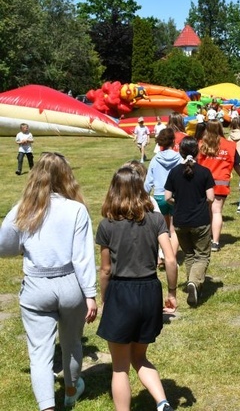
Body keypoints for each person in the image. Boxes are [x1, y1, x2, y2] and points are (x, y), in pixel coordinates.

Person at [0, 152, 97, 410]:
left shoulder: (23, 208)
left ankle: (47, 407)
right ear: (67, 176)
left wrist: (22, 245)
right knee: (72, 343)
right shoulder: (76, 209)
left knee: (39, 354)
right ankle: (70, 390)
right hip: (71, 285)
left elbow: (4, 245)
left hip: (36, 285)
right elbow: (83, 256)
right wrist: (90, 293)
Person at [96, 167, 177, 411]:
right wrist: (172, 292)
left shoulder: (107, 225)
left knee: (120, 365)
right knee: (139, 356)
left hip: (121, 292)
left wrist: (104, 298)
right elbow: (171, 259)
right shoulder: (154, 219)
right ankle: (162, 402)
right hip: (150, 290)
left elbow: (105, 270)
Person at [164, 137, 215, 307]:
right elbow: (210, 198)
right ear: (197, 151)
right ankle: (194, 282)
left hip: (180, 220)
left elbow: (167, 197)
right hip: (200, 220)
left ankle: (193, 284)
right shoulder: (204, 172)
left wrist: (178, 202)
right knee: (202, 255)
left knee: (189, 254)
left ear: (181, 152)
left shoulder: (174, 172)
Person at [197, 120, 240, 252]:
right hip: (221, 183)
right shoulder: (230, 145)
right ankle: (215, 242)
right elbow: (237, 165)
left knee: (206, 211)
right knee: (217, 211)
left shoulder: (201, 144)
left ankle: (205, 238)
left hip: (203, 183)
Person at [145, 128, 183, 268]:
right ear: (173, 141)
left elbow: (148, 182)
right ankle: (170, 257)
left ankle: (160, 257)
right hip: (174, 196)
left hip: (159, 197)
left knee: (162, 229)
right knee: (174, 230)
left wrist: (144, 195)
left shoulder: (155, 159)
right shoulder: (179, 158)